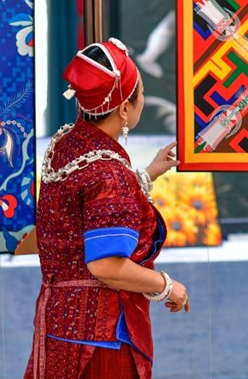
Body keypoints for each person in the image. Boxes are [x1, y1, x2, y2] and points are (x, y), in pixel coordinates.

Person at [24, 38, 188, 379]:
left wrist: (147, 174)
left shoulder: (67, 144)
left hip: (60, 327)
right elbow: (106, 265)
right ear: (124, 109)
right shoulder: (109, 172)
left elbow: (83, 207)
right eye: (140, 92)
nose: (142, 98)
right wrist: (166, 286)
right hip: (100, 342)